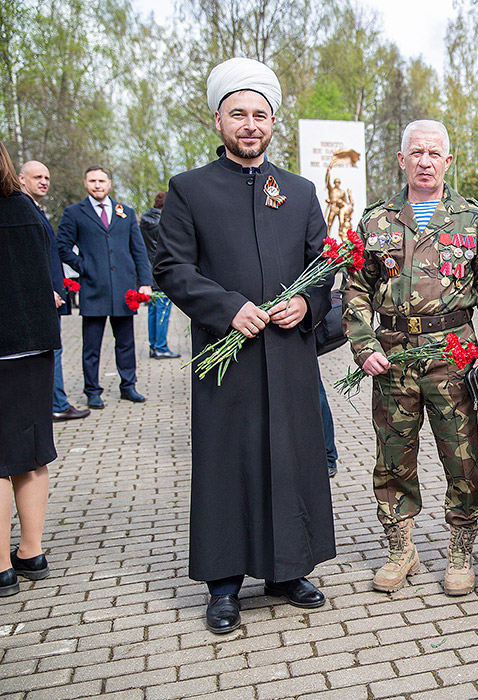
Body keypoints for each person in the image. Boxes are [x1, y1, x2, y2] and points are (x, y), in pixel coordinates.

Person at [153, 57, 335, 634]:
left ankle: (288, 570)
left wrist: (308, 304)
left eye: (260, 114)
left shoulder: (302, 192)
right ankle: (225, 584)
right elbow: (172, 267)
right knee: (228, 463)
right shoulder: (189, 191)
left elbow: (324, 265)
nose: (250, 123)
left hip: (286, 354)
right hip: (226, 352)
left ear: (273, 122)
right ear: (218, 121)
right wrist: (227, 307)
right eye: (238, 114)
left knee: (291, 456)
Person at [342, 119, 478, 598]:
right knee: (393, 456)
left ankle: (461, 550)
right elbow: (356, 288)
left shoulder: (474, 220)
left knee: (461, 454)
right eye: (416, 154)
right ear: (402, 161)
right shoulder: (374, 221)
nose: (425, 162)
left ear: (448, 161)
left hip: (452, 354)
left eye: (434, 154)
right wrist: (364, 346)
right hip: (392, 357)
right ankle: (400, 547)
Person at [0, 140, 61, 597]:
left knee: (0, 462)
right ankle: (31, 551)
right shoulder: (26, 209)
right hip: (34, 345)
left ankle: (1, 565)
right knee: (33, 451)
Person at [56, 166, 152, 408]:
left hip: (123, 289)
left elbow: (139, 250)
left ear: (109, 183)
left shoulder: (126, 213)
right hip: (93, 288)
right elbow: (62, 246)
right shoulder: (74, 213)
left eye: (101, 180)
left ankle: (128, 386)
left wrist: (145, 283)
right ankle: (92, 390)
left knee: (126, 342)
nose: (97, 185)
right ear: (85, 183)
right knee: (91, 346)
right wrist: (84, 266)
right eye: (92, 181)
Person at [18, 160, 90, 421]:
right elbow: (30, 256)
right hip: (43, 296)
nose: (44, 181)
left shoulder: (35, 209)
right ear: (21, 179)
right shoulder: (23, 210)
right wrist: (47, 288)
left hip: (51, 294)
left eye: (47, 177)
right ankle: (56, 404)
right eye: (37, 177)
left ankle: (54, 402)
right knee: (52, 350)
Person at [138, 192, 180, 359]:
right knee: (163, 311)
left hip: (149, 272)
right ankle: (161, 347)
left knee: (153, 311)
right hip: (162, 272)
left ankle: (153, 345)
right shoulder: (164, 221)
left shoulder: (146, 221)